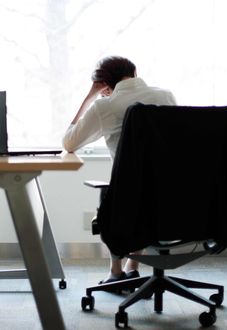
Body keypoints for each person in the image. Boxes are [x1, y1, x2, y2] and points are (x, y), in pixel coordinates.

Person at [62, 55, 177, 284]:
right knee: (145, 189)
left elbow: (69, 143)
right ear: (134, 72)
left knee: (123, 190)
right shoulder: (166, 96)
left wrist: (89, 98)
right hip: (173, 197)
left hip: (130, 200)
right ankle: (132, 266)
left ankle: (116, 272)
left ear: (104, 86)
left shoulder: (106, 105)